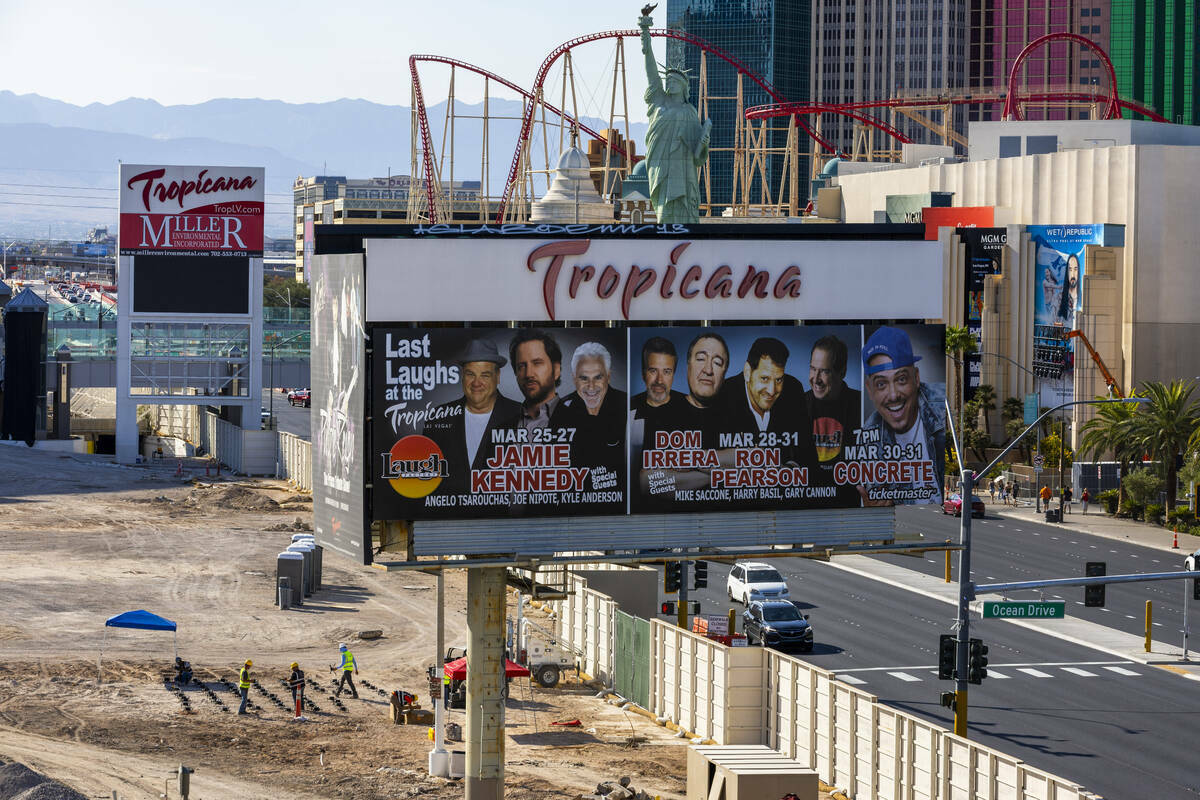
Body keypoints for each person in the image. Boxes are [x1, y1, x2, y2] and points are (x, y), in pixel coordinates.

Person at [638, 7, 711, 223]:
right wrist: (645, 31)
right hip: (661, 166)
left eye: (674, 80)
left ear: (684, 87)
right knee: (663, 212)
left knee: (684, 212)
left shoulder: (689, 112)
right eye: (667, 79)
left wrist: (704, 141)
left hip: (683, 168)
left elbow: (698, 153)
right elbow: (650, 69)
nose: (669, 82)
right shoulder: (658, 100)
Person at [421, 339, 521, 495]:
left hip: (503, 516)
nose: (476, 383)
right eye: (470, 374)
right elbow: (426, 478)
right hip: (449, 516)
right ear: (462, 376)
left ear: (498, 376)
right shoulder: (439, 417)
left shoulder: (521, 414)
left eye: (485, 375)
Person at [860, 326, 945, 505]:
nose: (893, 395)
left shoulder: (943, 407)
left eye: (901, 379)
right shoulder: (869, 436)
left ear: (916, 378)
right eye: (881, 384)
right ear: (869, 390)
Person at [804, 334, 863, 505]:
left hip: (850, 503)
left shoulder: (862, 406)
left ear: (842, 372)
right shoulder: (797, 405)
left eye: (824, 371)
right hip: (807, 503)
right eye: (813, 369)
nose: (816, 379)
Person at [553, 341, 627, 476]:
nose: (591, 386)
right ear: (574, 379)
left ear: (608, 377)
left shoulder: (627, 406)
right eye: (584, 378)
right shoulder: (561, 410)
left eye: (598, 377)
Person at [508, 329, 565, 432]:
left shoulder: (584, 425)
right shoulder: (499, 430)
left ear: (556, 370)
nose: (528, 374)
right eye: (521, 366)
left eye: (537, 363)